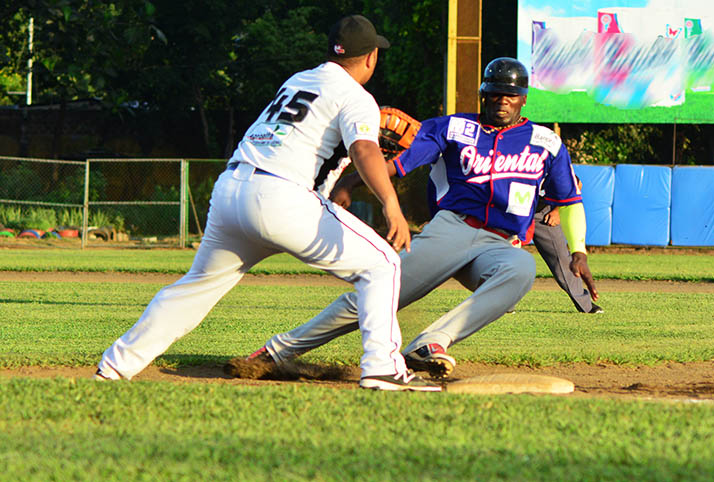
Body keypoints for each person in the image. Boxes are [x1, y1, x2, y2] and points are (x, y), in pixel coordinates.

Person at [95, 14, 440, 392]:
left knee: (193, 290)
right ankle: (382, 368)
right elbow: (363, 148)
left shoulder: (298, 80)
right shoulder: (356, 97)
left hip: (231, 190)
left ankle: (115, 366)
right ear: (371, 57)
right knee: (383, 263)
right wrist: (391, 205)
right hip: (281, 198)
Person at [228, 57, 598, 380]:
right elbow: (402, 163)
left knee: (521, 270)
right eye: (494, 93)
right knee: (376, 297)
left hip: (500, 244)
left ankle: (431, 342)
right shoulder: (453, 127)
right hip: (451, 230)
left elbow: (568, 199)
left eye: (510, 94)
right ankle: (279, 350)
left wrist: (577, 251)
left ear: (523, 98)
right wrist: (354, 181)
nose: (502, 100)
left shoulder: (546, 142)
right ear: (483, 94)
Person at [532, 179, 604, 314]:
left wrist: (558, 210)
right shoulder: (509, 159)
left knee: (562, 261)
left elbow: (576, 184)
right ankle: (503, 305)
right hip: (511, 212)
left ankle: (585, 305)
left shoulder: (549, 159)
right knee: (504, 257)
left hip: (542, 213)